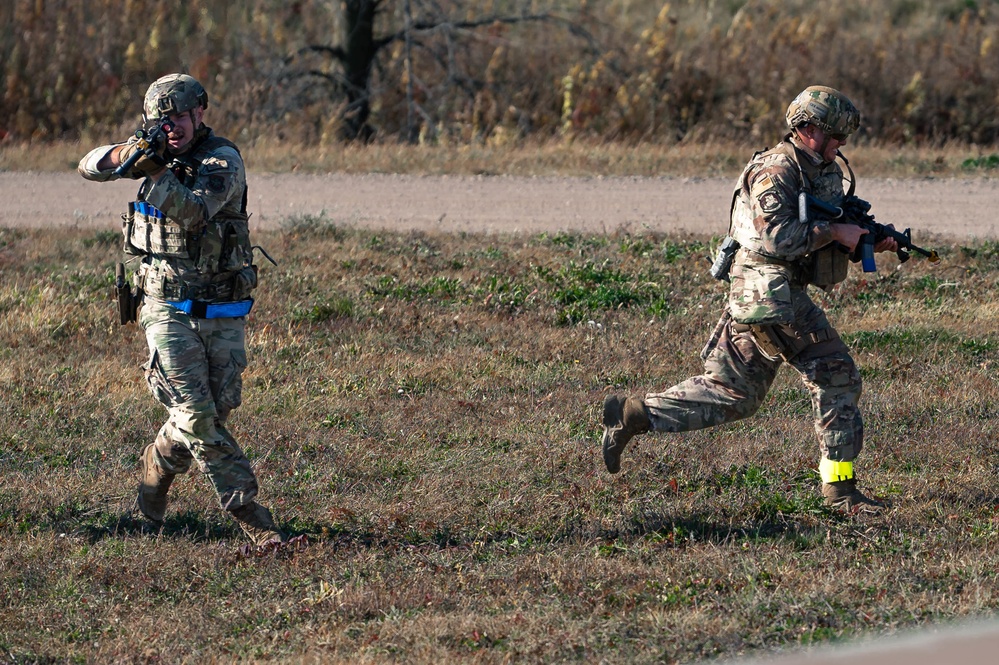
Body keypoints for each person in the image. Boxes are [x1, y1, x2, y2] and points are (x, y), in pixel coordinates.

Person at [601, 85, 898, 512]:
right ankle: (840, 492)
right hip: (767, 291)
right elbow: (776, 236)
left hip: (772, 291)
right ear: (809, 127)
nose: (841, 144)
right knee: (837, 375)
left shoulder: (824, 168)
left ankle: (633, 414)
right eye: (835, 135)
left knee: (733, 394)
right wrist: (835, 233)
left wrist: (865, 238)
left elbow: (823, 226)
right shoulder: (775, 170)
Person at [79, 73, 285, 546]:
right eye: (162, 118)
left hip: (221, 305)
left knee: (216, 409)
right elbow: (88, 166)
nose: (171, 126)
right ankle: (254, 519)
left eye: (179, 116)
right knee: (196, 413)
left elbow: (194, 212)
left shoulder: (221, 160)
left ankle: (157, 463)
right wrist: (126, 154)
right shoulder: (152, 149)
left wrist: (155, 172)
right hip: (163, 305)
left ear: (199, 113)